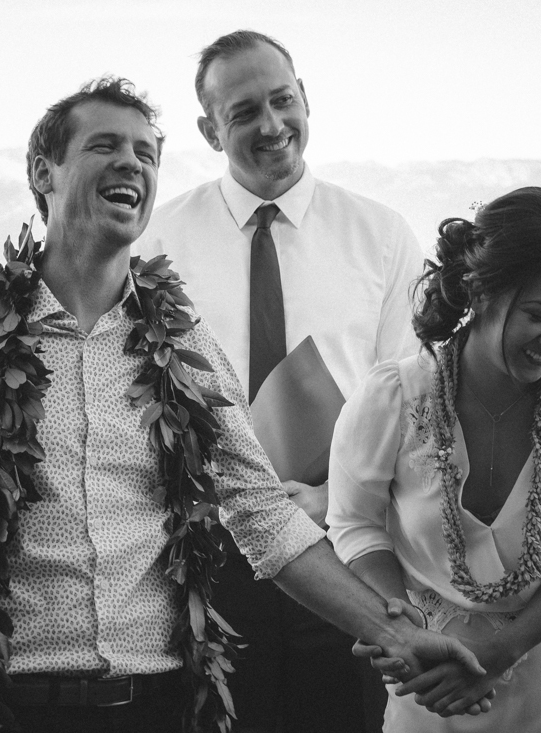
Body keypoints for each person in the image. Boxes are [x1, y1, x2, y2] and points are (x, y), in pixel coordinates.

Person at [0, 76, 486, 733]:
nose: (132, 162)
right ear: (43, 172)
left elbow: (263, 513)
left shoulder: (181, 344)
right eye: (105, 146)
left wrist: (398, 633)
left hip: (160, 707)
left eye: (146, 153)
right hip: (7, 707)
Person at [135, 31, 425, 733]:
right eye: (243, 112)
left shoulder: (382, 237)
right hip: (207, 568)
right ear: (209, 129)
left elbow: (419, 408)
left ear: (305, 100)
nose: (271, 126)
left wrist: (332, 497)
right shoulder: (155, 243)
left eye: (282, 101)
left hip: (348, 554)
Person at [328, 187, 541, 731]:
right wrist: (406, 628)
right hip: (431, 682)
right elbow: (355, 523)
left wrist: (501, 653)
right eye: (538, 314)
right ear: (481, 293)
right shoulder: (395, 397)